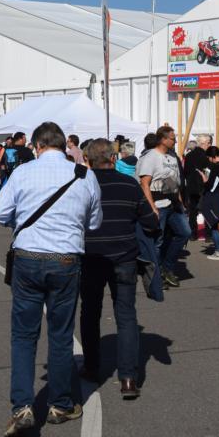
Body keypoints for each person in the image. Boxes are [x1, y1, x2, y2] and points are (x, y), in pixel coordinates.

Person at [0, 121, 103, 437]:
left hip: (28, 256)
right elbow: (94, 222)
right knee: (61, 333)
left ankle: (22, 407)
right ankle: (60, 404)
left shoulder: (23, 172)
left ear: (38, 146)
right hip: (66, 258)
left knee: (24, 335)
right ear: (65, 146)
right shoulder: (84, 175)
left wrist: (20, 219)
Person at [78, 139, 159, 399]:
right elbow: (149, 221)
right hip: (124, 255)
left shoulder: (81, 184)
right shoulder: (129, 184)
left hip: (91, 256)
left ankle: (91, 367)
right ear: (114, 158)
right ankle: (128, 378)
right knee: (126, 316)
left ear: (88, 160)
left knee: (90, 312)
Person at [136, 126, 189, 288]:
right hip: (158, 203)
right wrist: (152, 207)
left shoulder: (172, 157)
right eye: (172, 138)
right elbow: (144, 183)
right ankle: (156, 275)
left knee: (185, 232)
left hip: (173, 202)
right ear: (163, 139)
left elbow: (174, 183)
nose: (175, 141)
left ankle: (167, 267)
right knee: (157, 241)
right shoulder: (151, 157)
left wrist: (180, 203)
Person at [199, 146, 219, 259]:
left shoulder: (217, 167)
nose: (208, 160)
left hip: (212, 198)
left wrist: (204, 180)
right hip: (217, 196)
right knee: (215, 225)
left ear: (212, 156)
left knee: (213, 225)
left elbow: (212, 186)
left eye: (209, 157)